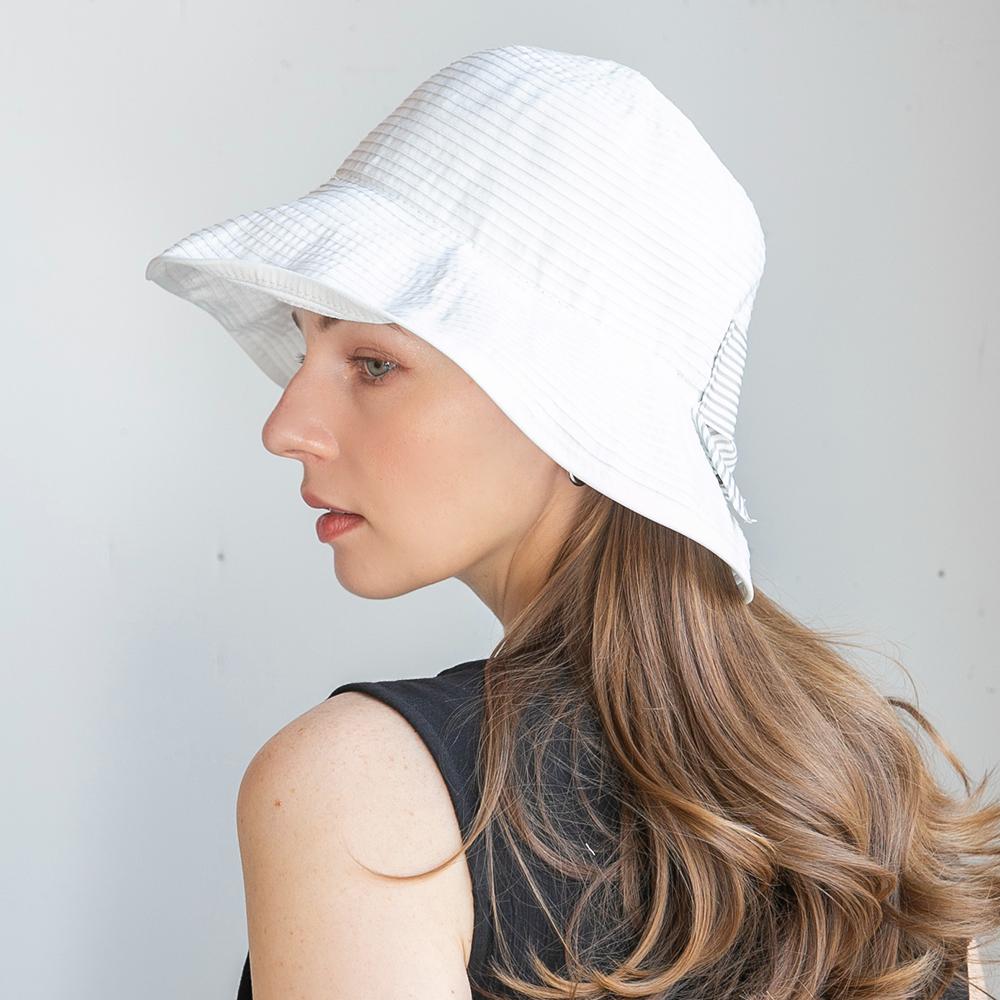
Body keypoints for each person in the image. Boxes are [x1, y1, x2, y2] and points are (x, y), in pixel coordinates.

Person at [146, 44, 998, 1000]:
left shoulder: (365, 793)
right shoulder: (871, 793)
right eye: (305, 348)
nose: (285, 426)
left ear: (571, 410)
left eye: (374, 365)